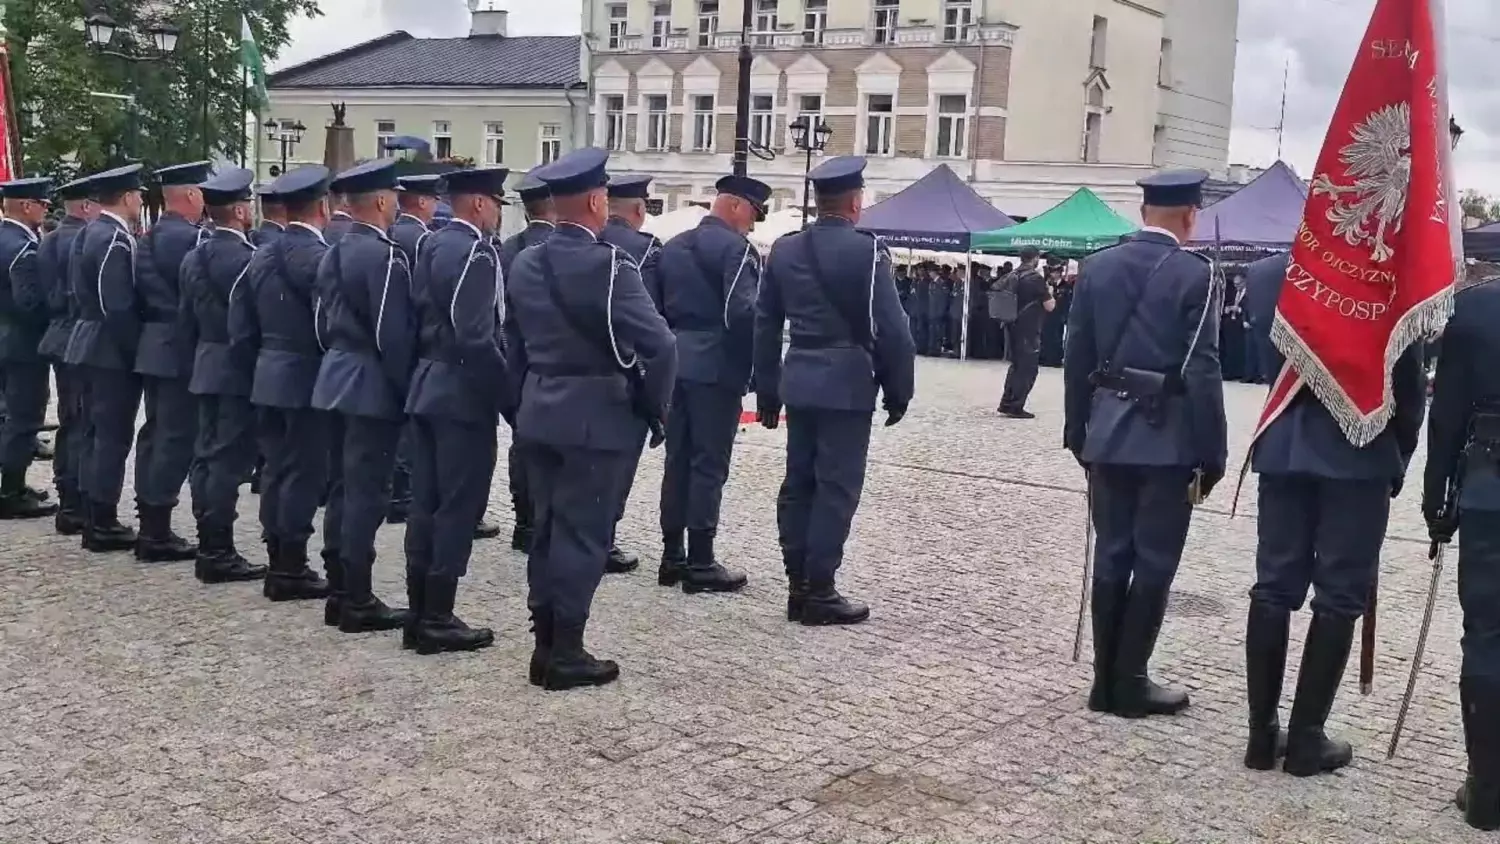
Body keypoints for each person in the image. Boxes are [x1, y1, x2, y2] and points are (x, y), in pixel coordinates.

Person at [1240, 249, 1424, 776]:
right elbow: (1407, 383)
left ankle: (1261, 736)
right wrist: (1399, 454)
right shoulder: (1389, 272)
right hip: (1358, 452)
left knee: (1273, 586)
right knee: (1339, 597)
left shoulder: (1267, 273)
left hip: (1284, 446)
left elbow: (1265, 360)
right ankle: (1306, 739)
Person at [503, 147, 676, 689]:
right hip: (596, 419)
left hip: (539, 412)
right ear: (598, 201)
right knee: (584, 536)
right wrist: (654, 410)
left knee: (548, 531)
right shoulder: (610, 265)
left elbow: (512, 345)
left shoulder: (525, 261)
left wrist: (520, 407)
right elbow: (661, 347)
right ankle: (567, 652)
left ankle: (544, 643)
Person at [1063, 169, 1226, 720]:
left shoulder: (1096, 266)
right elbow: (1202, 367)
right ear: (1189, 216)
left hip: (1106, 434)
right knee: (1154, 560)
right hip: (1167, 440)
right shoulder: (1196, 272)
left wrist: (1077, 431)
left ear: (1142, 213)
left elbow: (1077, 357)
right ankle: (1130, 679)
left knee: (1111, 555)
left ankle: (1102, 681)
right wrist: (1214, 451)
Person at [753, 156, 916, 626]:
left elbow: (765, 325)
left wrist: (767, 389)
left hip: (799, 376)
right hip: (846, 382)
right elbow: (894, 330)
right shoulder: (867, 252)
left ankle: (797, 583)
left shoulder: (784, 250)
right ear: (854, 201)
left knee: (798, 482)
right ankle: (820, 589)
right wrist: (898, 389)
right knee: (836, 488)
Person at [404, 166, 514, 655]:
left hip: (427, 383)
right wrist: (508, 397)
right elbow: (477, 336)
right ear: (479, 204)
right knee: (457, 506)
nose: (495, 215)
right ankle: (438, 614)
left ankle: (418, 609)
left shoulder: (430, 243)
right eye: (494, 204)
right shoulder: (476, 252)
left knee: (425, 502)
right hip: (462, 394)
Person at [312, 159, 414, 634]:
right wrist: (403, 390)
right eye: (393, 195)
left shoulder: (333, 248)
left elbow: (321, 319)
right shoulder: (385, 256)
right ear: (379, 200)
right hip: (370, 384)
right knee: (367, 495)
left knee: (341, 489)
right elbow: (390, 336)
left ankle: (339, 589)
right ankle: (356, 596)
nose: (397, 203)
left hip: (334, 377)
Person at [656, 173, 769, 594]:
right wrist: (753, 369)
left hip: (674, 364)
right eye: (753, 214)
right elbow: (743, 313)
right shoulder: (737, 250)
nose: (753, 225)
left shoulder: (672, 247)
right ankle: (701, 560)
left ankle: (672, 556)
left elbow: (655, 310)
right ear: (736, 206)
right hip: (716, 367)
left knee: (677, 460)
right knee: (708, 463)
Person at [232, 166, 336, 605]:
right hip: (304, 376)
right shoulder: (317, 257)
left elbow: (241, 324)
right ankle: (291, 565)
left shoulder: (261, 252)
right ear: (324, 207)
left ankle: (278, 557)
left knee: (275, 470)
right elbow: (326, 322)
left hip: (267, 372)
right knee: (303, 472)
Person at [1426, 271, 1500, 830]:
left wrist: (1437, 496)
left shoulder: (1473, 308)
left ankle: (1488, 790)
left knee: (1487, 635)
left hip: (1489, 486)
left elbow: (1447, 411)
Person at [179, 167, 265, 584]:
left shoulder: (194, 256)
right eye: (246, 203)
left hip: (204, 366)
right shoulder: (246, 259)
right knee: (228, 463)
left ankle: (208, 540)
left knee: (206, 457)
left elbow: (185, 321)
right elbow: (249, 327)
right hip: (234, 371)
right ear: (237, 210)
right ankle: (218, 550)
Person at [64, 163, 148, 552]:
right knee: (111, 436)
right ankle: (102, 520)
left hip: (88, 339)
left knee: (94, 432)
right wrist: (134, 351)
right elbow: (115, 304)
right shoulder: (113, 238)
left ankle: (90, 510)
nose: (141, 200)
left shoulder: (90, 232)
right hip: (108, 348)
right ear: (128, 197)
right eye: (139, 195)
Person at [133, 161, 211, 562]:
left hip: (154, 345)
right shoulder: (191, 240)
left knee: (156, 434)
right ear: (193, 195)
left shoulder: (150, 235)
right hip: (181, 347)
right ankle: (157, 531)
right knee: (175, 438)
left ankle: (150, 518)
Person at [597, 172, 664, 574]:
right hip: (626, 370)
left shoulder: (588, 242)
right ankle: (604, 537)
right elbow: (654, 315)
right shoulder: (645, 250)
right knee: (619, 462)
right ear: (639, 210)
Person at [498, 169, 557, 554]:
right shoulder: (557, 250)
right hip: (551, 365)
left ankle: (523, 522)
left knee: (521, 446)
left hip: (513, 360)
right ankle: (544, 523)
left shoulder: (508, 248)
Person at [36, 174, 97, 534]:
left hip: (59, 334)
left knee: (70, 419)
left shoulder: (52, 237)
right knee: (83, 420)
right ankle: (77, 499)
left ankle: (68, 494)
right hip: (80, 334)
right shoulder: (84, 238)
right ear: (87, 206)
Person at [384, 174, 442, 528]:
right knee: (408, 428)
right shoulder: (421, 239)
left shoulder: (390, 233)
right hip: (411, 340)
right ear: (422, 202)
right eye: (433, 200)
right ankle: (402, 494)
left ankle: (397, 489)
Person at [0, 177, 58, 519]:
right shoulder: (22, 247)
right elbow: (29, 303)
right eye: (42, 203)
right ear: (26, 206)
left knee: (7, 417)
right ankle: (11, 491)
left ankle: (13, 483)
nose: (44, 209)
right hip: (22, 345)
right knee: (24, 419)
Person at [997, 246, 1054, 419]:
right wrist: (1050, 292)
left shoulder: (1012, 275)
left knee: (1015, 366)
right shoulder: (1035, 278)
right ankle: (1016, 406)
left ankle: (1006, 402)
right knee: (1028, 369)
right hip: (1028, 329)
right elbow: (1050, 306)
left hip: (1011, 326)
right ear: (1035, 258)